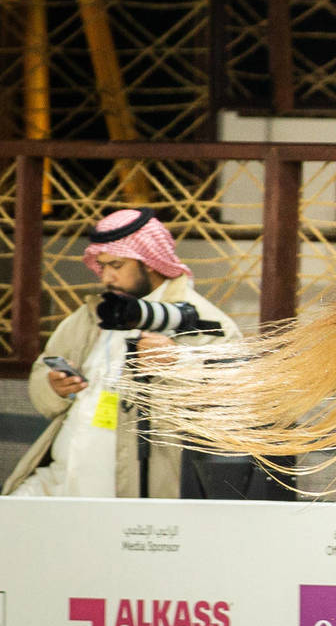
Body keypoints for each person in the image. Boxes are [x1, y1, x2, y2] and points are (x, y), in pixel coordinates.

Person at [5, 209, 242, 497]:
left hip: (134, 487)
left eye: (116, 265)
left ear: (151, 262)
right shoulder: (94, 313)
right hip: (63, 476)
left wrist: (179, 362)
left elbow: (234, 391)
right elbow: (43, 371)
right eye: (102, 266)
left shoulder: (201, 318)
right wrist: (54, 386)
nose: (106, 277)